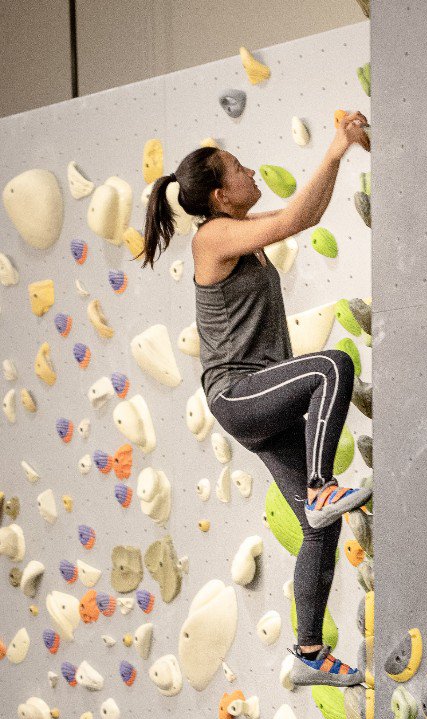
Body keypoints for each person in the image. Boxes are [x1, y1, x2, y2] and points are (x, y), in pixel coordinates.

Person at [142, 110, 372, 687]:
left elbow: (307, 214)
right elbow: (298, 214)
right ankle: (322, 487)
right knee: (332, 366)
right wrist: (336, 146)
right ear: (221, 195)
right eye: (239, 169)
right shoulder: (214, 236)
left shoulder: (243, 234)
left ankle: (308, 652)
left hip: (266, 400)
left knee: (320, 531)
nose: (250, 171)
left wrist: (341, 154)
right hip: (239, 394)